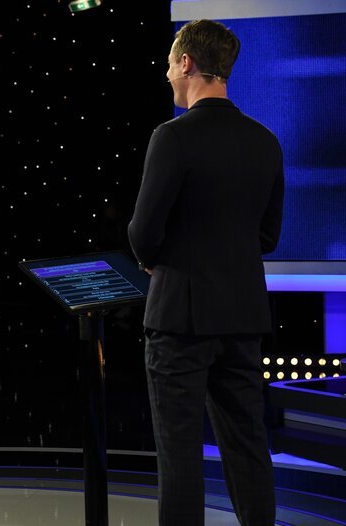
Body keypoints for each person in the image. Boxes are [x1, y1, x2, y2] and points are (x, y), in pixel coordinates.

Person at [128, 20, 284, 525]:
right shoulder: (265, 141)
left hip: (180, 321)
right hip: (242, 318)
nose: (168, 73)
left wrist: (159, 257)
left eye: (171, 63)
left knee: (180, 457)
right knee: (248, 448)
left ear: (188, 63)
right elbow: (267, 236)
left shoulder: (171, 137)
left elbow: (143, 232)